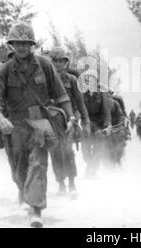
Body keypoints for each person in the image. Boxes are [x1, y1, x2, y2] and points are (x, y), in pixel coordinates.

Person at [0, 22, 75, 228]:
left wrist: (71, 117)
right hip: (14, 124)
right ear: (11, 45)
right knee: (18, 166)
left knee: (38, 164)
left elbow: (61, 94)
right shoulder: (4, 70)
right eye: (17, 43)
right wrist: (1, 119)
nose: (21, 47)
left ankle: (36, 210)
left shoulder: (45, 65)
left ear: (31, 44)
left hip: (39, 122)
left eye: (25, 43)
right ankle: (22, 189)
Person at [48, 47, 91, 197]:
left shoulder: (71, 80)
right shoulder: (45, 80)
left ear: (66, 63)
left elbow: (80, 103)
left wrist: (85, 122)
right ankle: (61, 184)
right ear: (51, 63)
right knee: (55, 153)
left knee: (67, 152)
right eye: (55, 61)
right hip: (51, 120)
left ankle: (72, 184)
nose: (59, 64)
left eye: (62, 61)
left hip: (69, 120)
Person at [80, 69, 112, 177]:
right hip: (86, 124)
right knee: (85, 150)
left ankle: (92, 171)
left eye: (92, 79)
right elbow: (78, 109)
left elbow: (106, 110)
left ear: (96, 81)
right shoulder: (81, 94)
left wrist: (108, 125)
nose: (89, 82)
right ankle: (90, 167)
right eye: (87, 80)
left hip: (99, 124)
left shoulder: (101, 94)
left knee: (98, 149)